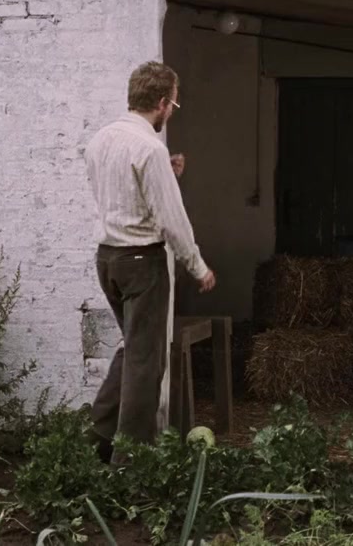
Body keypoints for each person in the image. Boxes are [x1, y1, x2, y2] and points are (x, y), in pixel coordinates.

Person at [85, 61, 216, 462]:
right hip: (142, 262)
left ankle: (97, 440)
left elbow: (125, 196)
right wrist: (198, 266)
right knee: (146, 363)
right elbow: (171, 219)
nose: (171, 112)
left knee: (134, 350)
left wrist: (165, 176)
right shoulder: (150, 149)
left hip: (108, 259)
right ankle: (131, 462)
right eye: (173, 104)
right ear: (161, 102)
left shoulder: (101, 140)